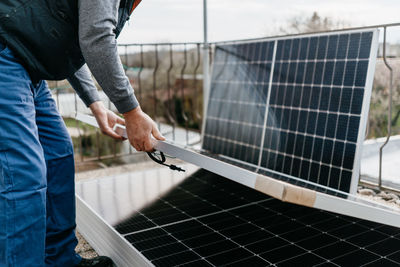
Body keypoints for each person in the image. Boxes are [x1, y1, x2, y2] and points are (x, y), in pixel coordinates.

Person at [0, 0, 164, 266]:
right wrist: (131, 111)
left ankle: (60, 259)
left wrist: (96, 104)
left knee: (58, 154)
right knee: (23, 173)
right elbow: (96, 37)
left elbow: (74, 42)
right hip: (6, 55)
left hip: (28, 67)